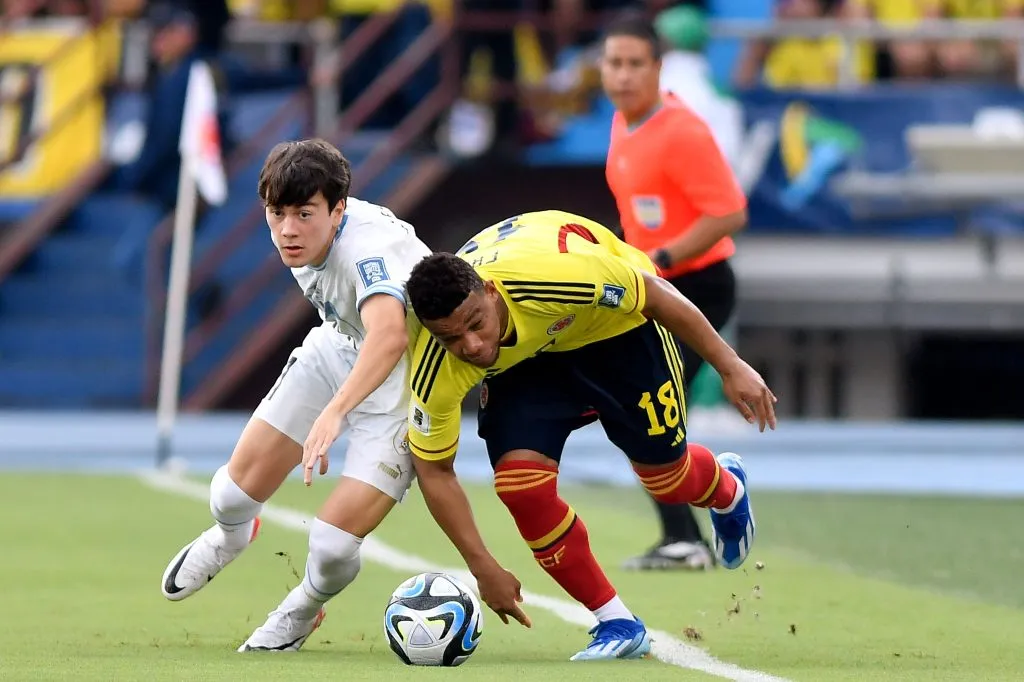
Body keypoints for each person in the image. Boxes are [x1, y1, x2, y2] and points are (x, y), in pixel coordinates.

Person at [403, 210, 776, 661]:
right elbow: (434, 469)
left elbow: (655, 294)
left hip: (617, 331)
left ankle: (726, 486)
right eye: (451, 337)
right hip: (527, 364)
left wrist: (730, 366)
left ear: (491, 291)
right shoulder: (436, 363)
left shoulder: (552, 278)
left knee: (667, 481)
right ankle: (616, 621)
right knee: (520, 488)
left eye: (475, 323)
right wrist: (481, 566)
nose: (472, 347)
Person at [159, 139, 431, 652]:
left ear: (339, 209)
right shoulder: (301, 237)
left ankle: (302, 609)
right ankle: (231, 536)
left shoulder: (366, 249)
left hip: (404, 381)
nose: (287, 229)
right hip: (339, 348)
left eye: (304, 213)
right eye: (276, 213)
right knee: (229, 497)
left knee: (330, 547)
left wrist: (334, 412)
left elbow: (390, 336)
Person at [600, 16, 750, 571]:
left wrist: (661, 257)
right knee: (641, 408)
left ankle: (699, 521)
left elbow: (730, 211)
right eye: (613, 63)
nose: (623, 75)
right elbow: (639, 217)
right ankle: (687, 533)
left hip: (698, 286)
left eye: (635, 63)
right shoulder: (621, 124)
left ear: (658, 68)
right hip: (654, 286)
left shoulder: (682, 130)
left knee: (646, 407)